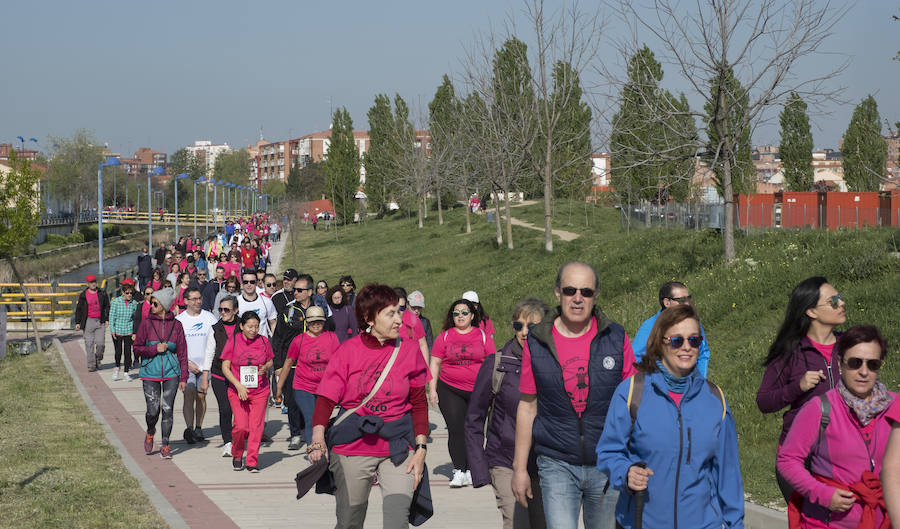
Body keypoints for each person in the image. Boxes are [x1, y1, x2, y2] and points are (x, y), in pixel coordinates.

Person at [512, 262, 637, 529]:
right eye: (570, 290)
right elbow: (527, 407)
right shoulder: (537, 342)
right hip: (556, 461)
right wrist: (520, 469)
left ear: (596, 295)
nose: (578, 298)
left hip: (607, 462)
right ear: (558, 293)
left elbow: (633, 403)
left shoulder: (615, 338)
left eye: (586, 292)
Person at [596, 304, 744, 529]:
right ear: (660, 342)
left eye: (694, 340)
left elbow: (728, 475)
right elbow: (608, 452)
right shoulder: (631, 392)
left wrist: (736, 524)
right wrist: (626, 473)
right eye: (677, 341)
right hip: (641, 523)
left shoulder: (716, 400)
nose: (687, 347)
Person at [308, 283, 430, 529]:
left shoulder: (409, 350)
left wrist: (421, 448)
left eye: (399, 312)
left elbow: (419, 402)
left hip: (397, 446)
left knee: (397, 522)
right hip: (353, 446)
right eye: (391, 314)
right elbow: (326, 399)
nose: (399, 320)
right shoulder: (348, 351)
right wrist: (318, 435)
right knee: (350, 521)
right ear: (369, 318)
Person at [777, 325, 893, 529]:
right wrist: (822, 493)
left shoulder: (894, 407)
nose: (864, 372)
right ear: (840, 364)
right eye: (855, 363)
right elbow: (787, 460)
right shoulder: (819, 408)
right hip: (826, 523)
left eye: (872, 364)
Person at [757, 276, 847, 501]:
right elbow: (764, 401)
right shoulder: (790, 351)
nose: (841, 303)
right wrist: (797, 387)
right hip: (800, 460)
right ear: (811, 312)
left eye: (840, 298)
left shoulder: (850, 347)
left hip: (842, 457)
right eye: (833, 300)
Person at [466, 298, 549, 529]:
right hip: (504, 461)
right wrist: (479, 468)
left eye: (531, 327)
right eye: (518, 326)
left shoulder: (555, 366)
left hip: (546, 463)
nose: (524, 332)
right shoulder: (498, 364)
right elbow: (474, 418)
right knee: (517, 523)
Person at [429, 298, 497, 487]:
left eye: (464, 313)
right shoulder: (444, 337)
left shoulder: (482, 336)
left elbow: (492, 362)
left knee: (473, 429)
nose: (460, 316)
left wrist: (494, 388)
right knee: (456, 429)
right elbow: (435, 363)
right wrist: (432, 389)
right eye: (456, 313)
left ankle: (473, 468)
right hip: (450, 388)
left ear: (472, 315)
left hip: (478, 390)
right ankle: (459, 469)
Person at [133, 287, 188, 459]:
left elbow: (183, 353)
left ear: (164, 306)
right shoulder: (146, 324)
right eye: (151, 302)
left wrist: (184, 377)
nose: (151, 305)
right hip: (150, 372)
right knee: (153, 410)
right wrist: (153, 349)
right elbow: (137, 348)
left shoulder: (177, 325)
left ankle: (165, 445)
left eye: (155, 303)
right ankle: (150, 431)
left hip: (172, 373)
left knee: (168, 409)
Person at [274, 305, 339, 450]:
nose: (316, 324)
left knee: (322, 421)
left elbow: (340, 363)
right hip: (304, 386)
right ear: (307, 323)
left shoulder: (331, 338)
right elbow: (288, 363)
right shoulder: (299, 340)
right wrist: (279, 387)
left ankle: (323, 447)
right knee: (311, 419)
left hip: (325, 388)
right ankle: (313, 451)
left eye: (319, 321)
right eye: (312, 322)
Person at [221, 311, 274, 472]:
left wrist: (265, 367)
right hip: (238, 390)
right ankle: (237, 453)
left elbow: (270, 360)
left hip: (260, 390)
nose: (253, 330)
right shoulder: (234, 341)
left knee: (256, 427)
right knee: (241, 426)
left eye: (256, 326)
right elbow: (225, 367)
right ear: (242, 326)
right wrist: (238, 386)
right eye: (250, 326)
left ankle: (252, 460)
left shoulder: (264, 341)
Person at [631, 281, 711, 377]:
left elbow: (703, 353)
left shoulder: (693, 323)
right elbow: (635, 359)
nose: (688, 304)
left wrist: (701, 381)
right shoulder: (650, 327)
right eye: (682, 300)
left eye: (689, 299)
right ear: (667, 302)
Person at [270, 274, 314, 443]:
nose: (296, 292)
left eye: (300, 290)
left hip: (313, 365)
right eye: (295, 289)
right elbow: (278, 340)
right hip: (292, 365)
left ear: (309, 292)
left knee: (313, 401)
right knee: (293, 401)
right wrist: (279, 365)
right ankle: (295, 433)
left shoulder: (318, 311)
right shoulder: (288, 312)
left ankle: (308, 430)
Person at [176, 286, 218, 444]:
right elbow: (176, 346)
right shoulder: (180, 320)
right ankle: (190, 429)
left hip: (205, 366)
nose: (197, 302)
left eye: (199, 298)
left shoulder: (209, 318)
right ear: (185, 301)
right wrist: (186, 363)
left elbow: (215, 342)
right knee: (189, 394)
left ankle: (199, 427)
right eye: (193, 299)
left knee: (201, 396)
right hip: (187, 366)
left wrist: (208, 365)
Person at [203, 295, 240, 457]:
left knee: (240, 410)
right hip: (219, 374)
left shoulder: (244, 325)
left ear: (235, 310)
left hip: (239, 374)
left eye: (227, 310)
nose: (223, 313)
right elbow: (209, 352)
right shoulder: (215, 328)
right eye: (221, 309)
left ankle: (240, 438)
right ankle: (228, 442)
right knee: (225, 409)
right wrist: (205, 376)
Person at [74, 274, 110, 372]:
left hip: (100, 321)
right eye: (91, 282)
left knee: (100, 344)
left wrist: (107, 319)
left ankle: (98, 358)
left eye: (94, 282)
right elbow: (79, 309)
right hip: (88, 321)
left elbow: (107, 306)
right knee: (89, 344)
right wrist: (78, 322)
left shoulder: (102, 293)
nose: (93, 284)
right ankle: (91, 365)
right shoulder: (83, 295)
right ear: (87, 284)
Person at [108, 282, 138, 381]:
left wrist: (135, 332)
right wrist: (112, 330)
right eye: (127, 293)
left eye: (131, 293)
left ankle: (126, 372)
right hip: (118, 330)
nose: (129, 295)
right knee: (118, 351)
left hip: (128, 330)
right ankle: (117, 368)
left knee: (127, 352)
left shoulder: (134, 303)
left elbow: (135, 317)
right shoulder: (116, 302)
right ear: (123, 293)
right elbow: (112, 317)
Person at [236, 270, 277, 338]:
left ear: (256, 283)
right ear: (242, 284)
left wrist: (275, 343)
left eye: (252, 282)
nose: (249, 285)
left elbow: (273, 323)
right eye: (246, 282)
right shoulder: (236, 302)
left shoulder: (266, 301)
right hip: (243, 344)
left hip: (262, 344)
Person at [396, 287, 430, 366]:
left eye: (402, 307)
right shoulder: (383, 320)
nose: (398, 311)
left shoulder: (414, 319)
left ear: (405, 306)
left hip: (412, 367)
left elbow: (423, 344)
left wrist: (426, 369)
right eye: (396, 306)